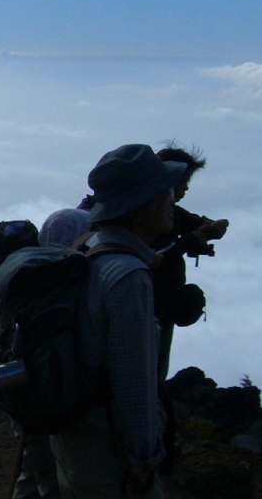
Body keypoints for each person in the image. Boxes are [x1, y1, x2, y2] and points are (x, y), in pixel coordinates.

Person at [50, 144, 182, 499]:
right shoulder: (127, 276)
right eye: (165, 192)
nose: (172, 199)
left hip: (75, 438)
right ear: (140, 210)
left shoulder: (87, 248)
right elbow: (134, 380)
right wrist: (145, 457)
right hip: (108, 450)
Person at [9, 208, 94, 499]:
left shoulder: (25, 273)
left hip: (22, 393)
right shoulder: (75, 279)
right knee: (54, 482)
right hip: (60, 396)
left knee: (30, 472)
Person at [151, 145, 229, 381]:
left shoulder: (172, 213)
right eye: (183, 181)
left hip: (163, 307)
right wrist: (190, 241)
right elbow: (152, 257)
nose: (185, 188)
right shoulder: (146, 214)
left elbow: (205, 224)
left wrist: (211, 228)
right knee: (148, 370)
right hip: (150, 306)